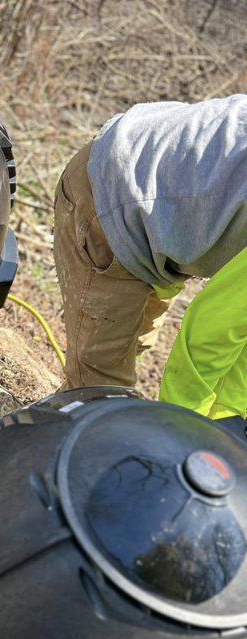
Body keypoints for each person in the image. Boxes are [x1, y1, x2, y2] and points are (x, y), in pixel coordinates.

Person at [54, 94, 247, 420]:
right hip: (113, 197)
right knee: (98, 400)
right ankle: (37, 452)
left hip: (165, 212)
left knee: (135, 342)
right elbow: (209, 335)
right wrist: (186, 432)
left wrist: (228, 419)